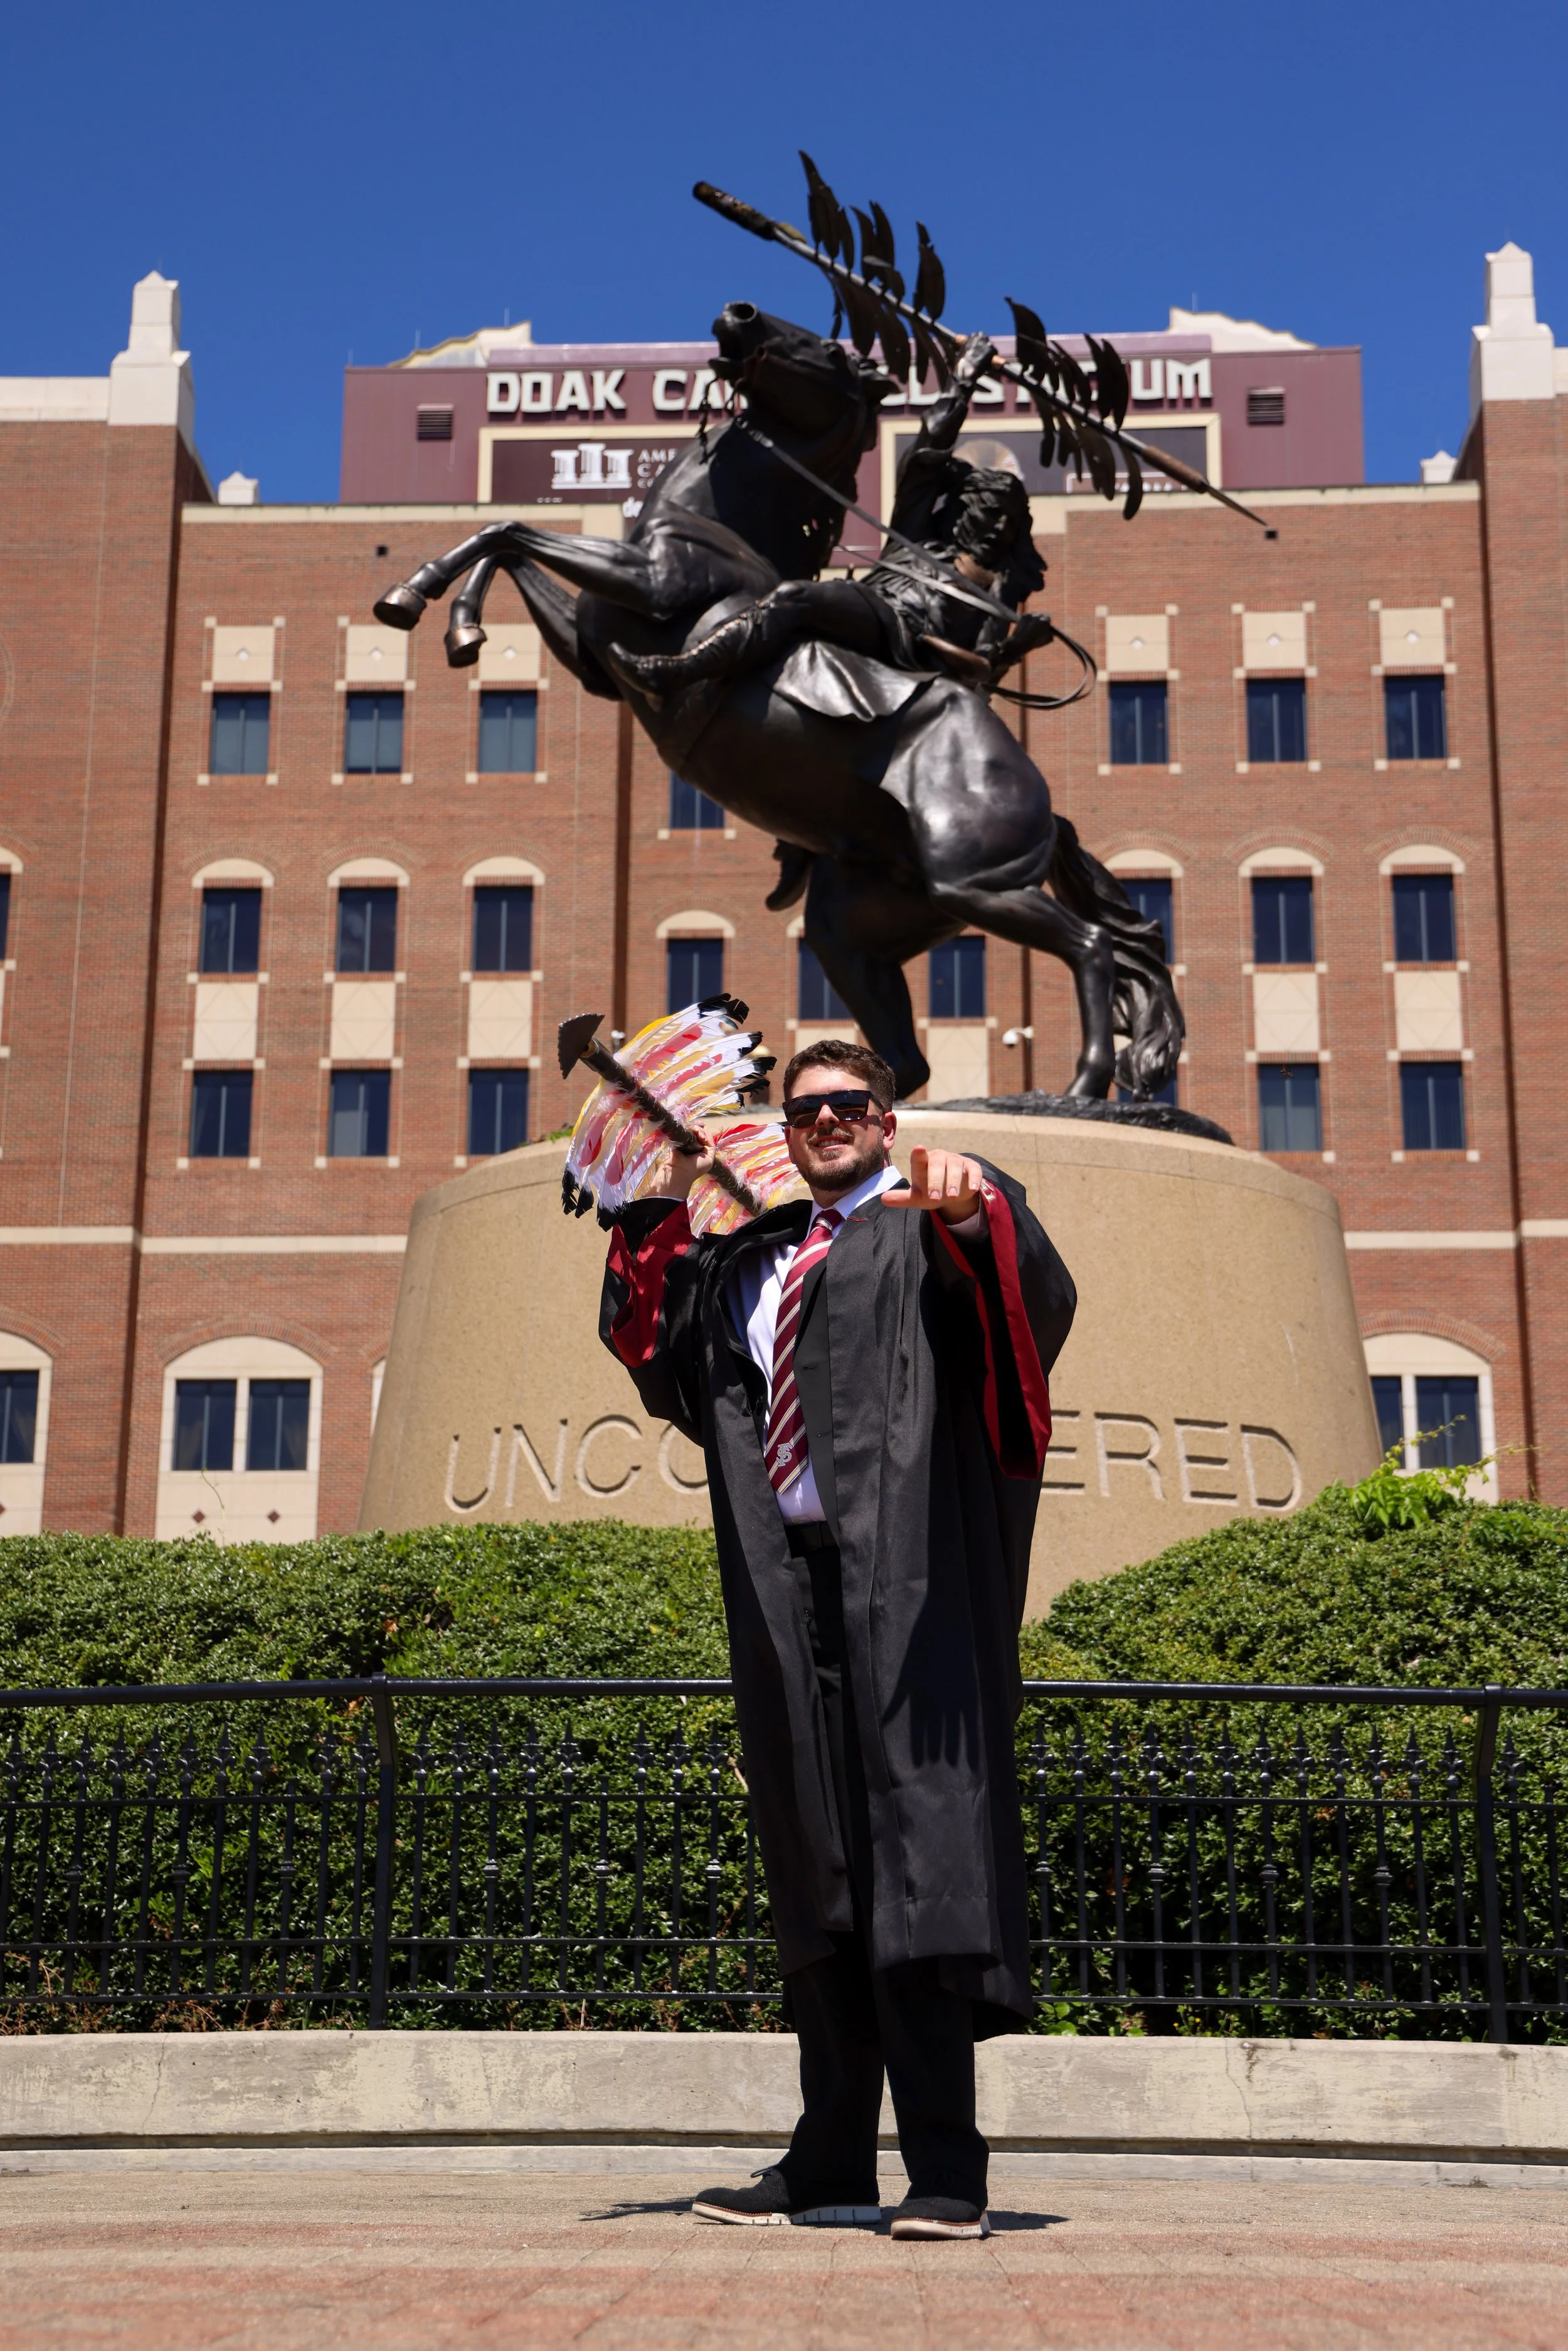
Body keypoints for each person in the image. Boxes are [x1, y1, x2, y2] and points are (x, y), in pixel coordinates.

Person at [599, 1038, 1076, 2239]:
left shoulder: (926, 1227)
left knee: (918, 1858)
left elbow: (1026, 1311)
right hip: (785, 1590)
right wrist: (651, 1202)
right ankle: (827, 2157)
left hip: (910, 1585)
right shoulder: (752, 1259)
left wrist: (972, 1215)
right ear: (786, 1131)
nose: (828, 1120)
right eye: (807, 1108)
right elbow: (657, 1352)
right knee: (818, 1864)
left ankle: (948, 2165)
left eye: (851, 1102)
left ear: (886, 1117)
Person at [607, 335, 1057, 910]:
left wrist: (1016, 646)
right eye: (990, 512)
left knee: (810, 636)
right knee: (795, 603)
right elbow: (931, 445)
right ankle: (684, 674)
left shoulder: (993, 600)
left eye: (1008, 522)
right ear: (964, 510)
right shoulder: (917, 535)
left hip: (909, 668)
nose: (996, 527)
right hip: (874, 619)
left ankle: (803, 835)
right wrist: (964, 380)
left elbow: (978, 684)